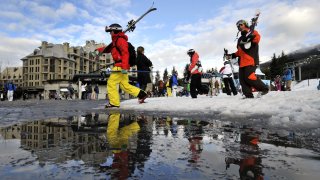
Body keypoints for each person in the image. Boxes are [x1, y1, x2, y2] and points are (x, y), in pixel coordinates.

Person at [96, 23, 148, 108]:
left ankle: (114, 103)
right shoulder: (115, 42)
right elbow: (107, 49)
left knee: (111, 83)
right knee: (124, 85)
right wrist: (97, 50)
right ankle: (142, 94)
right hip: (121, 66)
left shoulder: (120, 40)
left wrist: (124, 67)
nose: (110, 33)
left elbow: (125, 53)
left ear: (114, 31)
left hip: (120, 66)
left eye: (111, 31)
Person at [227, 19, 269, 98]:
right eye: (237, 26)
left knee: (249, 77)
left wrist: (250, 38)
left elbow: (257, 38)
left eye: (240, 24)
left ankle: (264, 89)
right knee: (242, 80)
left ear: (245, 24)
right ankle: (248, 95)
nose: (239, 26)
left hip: (251, 60)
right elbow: (240, 52)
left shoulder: (251, 32)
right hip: (242, 62)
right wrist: (231, 55)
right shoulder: (240, 39)